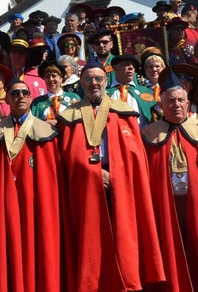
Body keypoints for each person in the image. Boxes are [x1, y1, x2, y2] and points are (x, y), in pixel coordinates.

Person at [58, 61, 165, 291]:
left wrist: (117, 172)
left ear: (106, 81)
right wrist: (94, 173)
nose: (93, 83)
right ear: (81, 83)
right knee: (91, 236)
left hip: (120, 181)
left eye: (98, 79)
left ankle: (127, 281)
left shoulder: (123, 112)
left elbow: (134, 155)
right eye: (87, 79)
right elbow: (69, 156)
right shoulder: (70, 116)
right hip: (86, 184)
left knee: (124, 233)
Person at [0, 79, 62, 291]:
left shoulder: (47, 134)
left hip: (35, 204)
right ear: (7, 99)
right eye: (15, 93)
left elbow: (51, 179)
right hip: (2, 204)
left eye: (24, 92)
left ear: (31, 98)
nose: (20, 96)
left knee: (36, 247)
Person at [141, 70, 198, 292]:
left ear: (188, 103)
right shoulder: (149, 135)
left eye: (180, 100)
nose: (176, 104)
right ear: (161, 104)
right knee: (171, 251)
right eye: (170, 101)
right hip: (166, 206)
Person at [107, 54, 156, 126]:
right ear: (115, 67)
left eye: (133, 65)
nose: (131, 67)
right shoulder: (105, 94)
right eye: (126, 64)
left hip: (140, 135)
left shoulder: (148, 92)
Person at [30, 60, 81, 126]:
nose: (51, 79)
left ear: (61, 78)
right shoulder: (37, 103)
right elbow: (33, 124)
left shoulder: (74, 98)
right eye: (47, 76)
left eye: (54, 76)